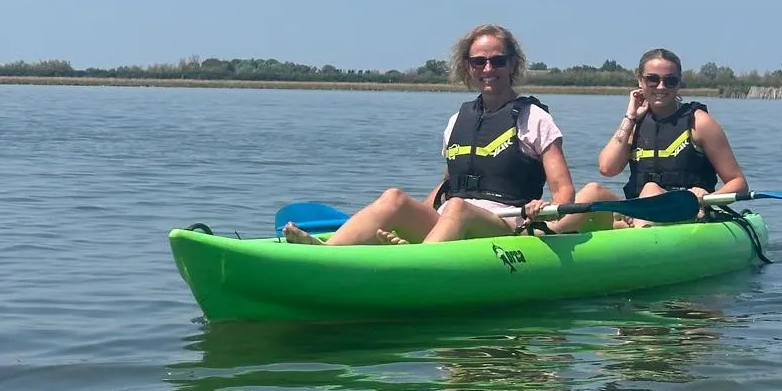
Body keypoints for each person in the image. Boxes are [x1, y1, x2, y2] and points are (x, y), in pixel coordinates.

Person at [282, 24, 576, 245]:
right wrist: (413, 215)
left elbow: (564, 191)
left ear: (512, 64)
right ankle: (325, 253)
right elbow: (450, 184)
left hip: (506, 227)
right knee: (394, 198)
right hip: (452, 218)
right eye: (479, 62)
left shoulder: (534, 118)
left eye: (498, 61)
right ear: (468, 67)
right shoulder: (457, 121)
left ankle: (417, 263)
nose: (488, 68)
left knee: (459, 209)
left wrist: (543, 208)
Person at [568, 47, 748, 227]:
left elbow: (738, 183)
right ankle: (548, 235)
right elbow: (607, 168)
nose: (661, 87)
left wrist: (706, 199)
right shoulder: (635, 123)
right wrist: (630, 116)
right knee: (593, 191)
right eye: (652, 79)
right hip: (638, 212)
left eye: (670, 81)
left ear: (679, 84)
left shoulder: (699, 122)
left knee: (650, 189)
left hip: (687, 214)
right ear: (640, 81)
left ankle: (637, 237)